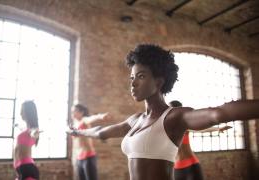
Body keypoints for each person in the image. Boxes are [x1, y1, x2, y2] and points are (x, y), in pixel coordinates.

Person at [66, 44, 259, 180]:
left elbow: (218, 114)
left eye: (140, 76)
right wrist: (78, 132)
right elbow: (101, 133)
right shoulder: (135, 120)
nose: (133, 83)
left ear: (159, 82)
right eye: (132, 77)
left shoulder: (174, 117)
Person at [169, 100, 231, 180]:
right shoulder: (166, 128)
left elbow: (201, 129)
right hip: (176, 169)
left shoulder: (184, 125)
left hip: (191, 167)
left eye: (170, 109)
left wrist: (217, 129)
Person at [70, 104, 110, 180]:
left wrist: (100, 116)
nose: (72, 114)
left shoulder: (84, 120)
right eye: (72, 112)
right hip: (79, 159)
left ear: (81, 112)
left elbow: (91, 118)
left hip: (88, 157)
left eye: (74, 111)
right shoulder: (74, 124)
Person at [14, 100, 40, 180]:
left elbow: (33, 133)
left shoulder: (33, 130)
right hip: (22, 168)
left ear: (28, 112)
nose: (20, 113)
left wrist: (34, 133)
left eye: (22, 111)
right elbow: (25, 130)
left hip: (27, 168)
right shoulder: (26, 128)